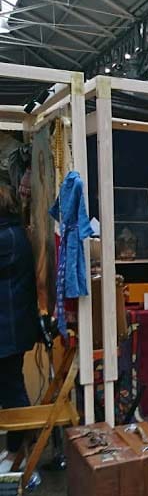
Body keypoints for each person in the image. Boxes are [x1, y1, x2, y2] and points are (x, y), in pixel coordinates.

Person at [0, 185, 39, 473]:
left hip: (9, 329)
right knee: (10, 385)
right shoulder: (12, 234)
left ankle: (20, 452)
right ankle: (18, 448)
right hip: (11, 326)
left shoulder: (7, 238)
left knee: (12, 387)